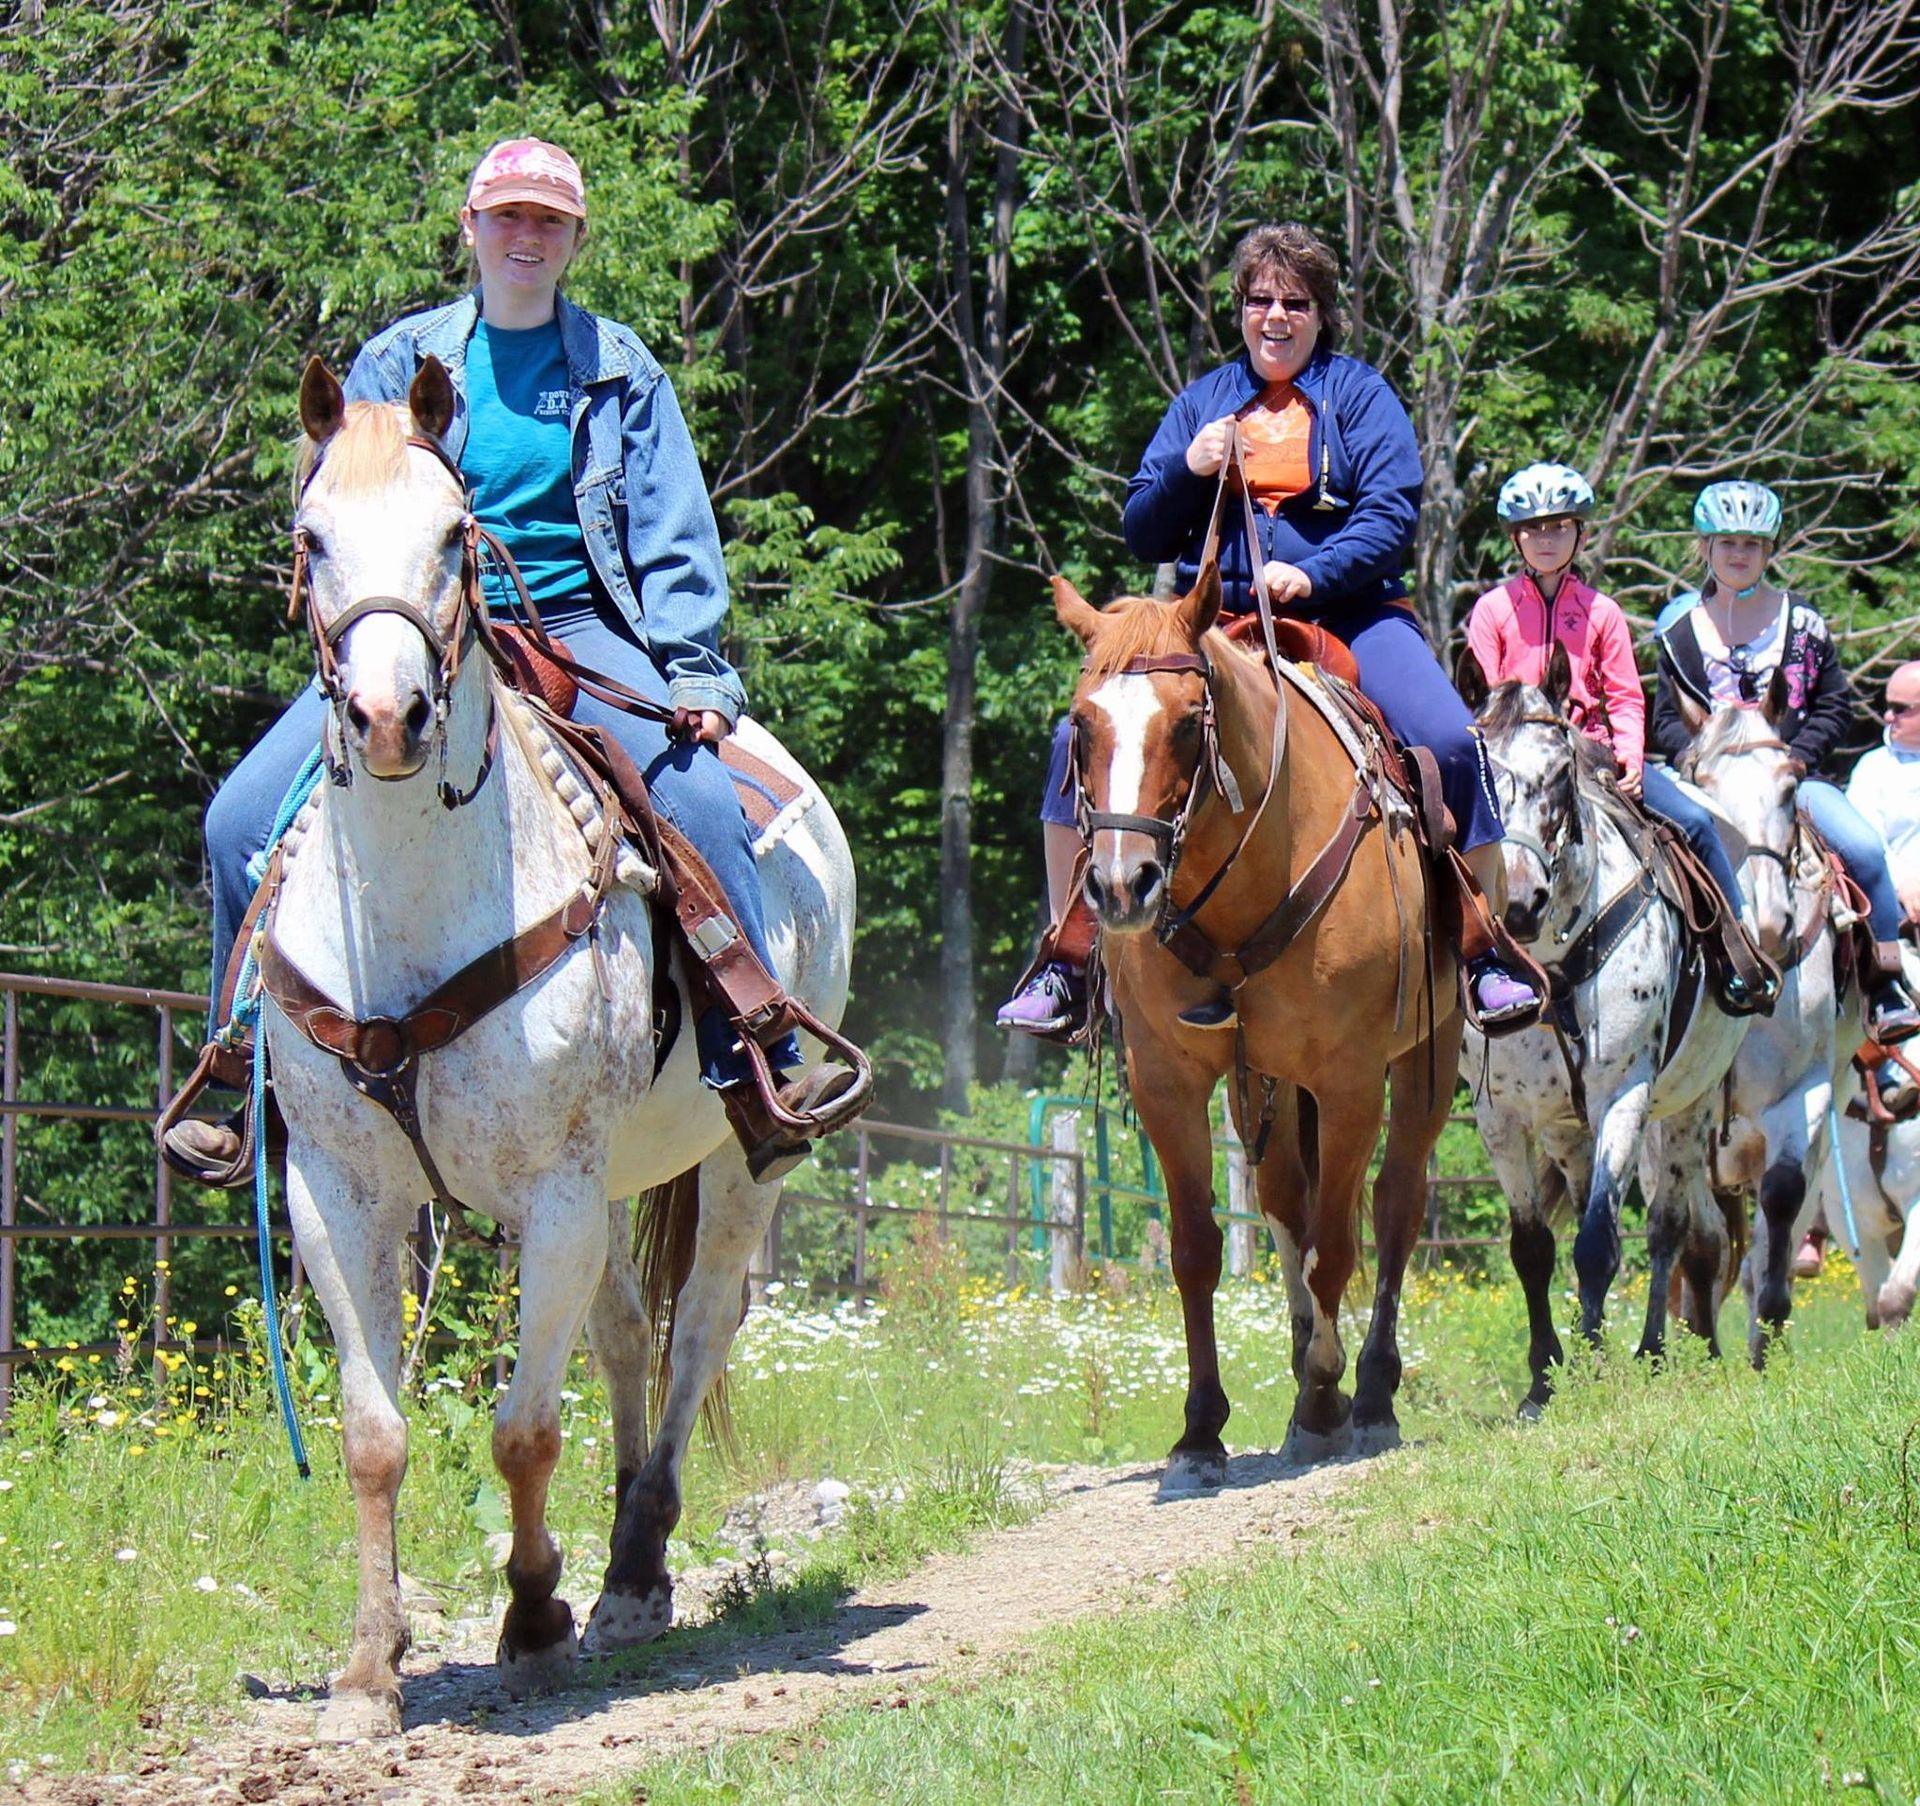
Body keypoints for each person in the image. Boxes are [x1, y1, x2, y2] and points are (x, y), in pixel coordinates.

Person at [164, 137, 856, 1185]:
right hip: (412, 629)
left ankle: (760, 1055)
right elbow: (341, 516)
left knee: (703, 805)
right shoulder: (396, 367)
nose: (525, 236)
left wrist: (696, 673)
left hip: (578, 627)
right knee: (236, 822)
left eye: (548, 221)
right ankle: (244, 1076)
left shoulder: (622, 370)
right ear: (471, 230)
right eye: (507, 217)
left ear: (574, 239)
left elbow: (673, 537)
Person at [997, 220, 1541, 1037]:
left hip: (1352, 616)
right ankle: (1069, 959)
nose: (1275, 317)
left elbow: (1394, 516)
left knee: (1453, 740)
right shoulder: (1203, 404)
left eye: (1295, 302)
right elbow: (1144, 530)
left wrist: (1315, 573)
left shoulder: (1360, 396)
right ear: (1241, 310)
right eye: (1260, 300)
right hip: (1214, 624)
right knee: (1073, 742)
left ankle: (1481, 949)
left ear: (1321, 314)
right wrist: (1191, 469)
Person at [1464, 462, 1776, 1013]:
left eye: (1559, 527)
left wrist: (1628, 756)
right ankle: (1461, 961)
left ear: (1579, 534)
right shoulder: (1492, 611)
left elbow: (1627, 696)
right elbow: (1486, 701)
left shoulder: (1602, 612)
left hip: (1592, 750)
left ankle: (1735, 952)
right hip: (1516, 762)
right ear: (1516, 537)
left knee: (1698, 825)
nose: (1547, 539)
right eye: (1535, 529)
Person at [1651, 479, 1920, 1054]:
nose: (1739, 554)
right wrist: (1691, 760)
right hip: (1706, 783)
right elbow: (1664, 719)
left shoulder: (1804, 625)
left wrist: (1798, 759)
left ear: (1769, 550)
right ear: (1706, 548)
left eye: (1752, 543)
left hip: (1786, 779)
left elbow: (1834, 705)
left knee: (1865, 848)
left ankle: (1884, 984)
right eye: (1727, 543)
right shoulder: (1677, 630)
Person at [1846, 659, 1920, 924]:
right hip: (1899, 914)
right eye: (1887, 706)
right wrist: (1905, 883)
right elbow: (1867, 844)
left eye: (1900, 709)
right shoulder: (1873, 768)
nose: (1888, 717)